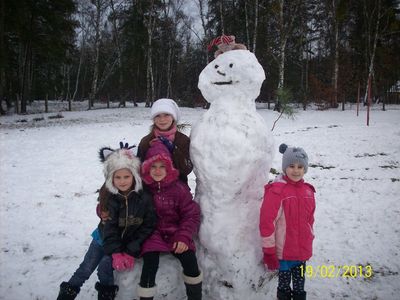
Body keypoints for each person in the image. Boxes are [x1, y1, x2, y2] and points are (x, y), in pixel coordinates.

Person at [57, 144, 157, 300]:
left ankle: (106, 295)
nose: (122, 181)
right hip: (102, 238)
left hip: (124, 241)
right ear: (111, 178)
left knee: (104, 267)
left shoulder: (143, 198)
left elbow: (147, 226)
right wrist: (116, 252)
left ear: (135, 176)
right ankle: (67, 293)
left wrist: (130, 251)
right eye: (117, 177)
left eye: (126, 177)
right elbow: (109, 228)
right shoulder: (111, 197)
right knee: (86, 267)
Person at [137, 140, 202, 300]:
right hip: (152, 234)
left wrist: (183, 236)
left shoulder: (178, 188)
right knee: (150, 264)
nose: (158, 171)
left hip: (175, 232)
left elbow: (191, 214)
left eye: (162, 166)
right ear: (147, 168)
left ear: (169, 168)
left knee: (190, 260)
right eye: (153, 166)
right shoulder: (142, 189)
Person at [259, 143, 316, 300]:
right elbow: (267, 223)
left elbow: (310, 219)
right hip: (284, 253)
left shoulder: (308, 191)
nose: (296, 170)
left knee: (299, 285)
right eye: (291, 166)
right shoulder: (277, 191)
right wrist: (269, 251)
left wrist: (310, 236)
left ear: (305, 168)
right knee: (283, 286)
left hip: (301, 253)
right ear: (284, 167)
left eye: (300, 166)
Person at [137, 98, 193, 184]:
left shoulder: (182, 140)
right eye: (157, 116)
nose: (162, 119)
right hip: (152, 190)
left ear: (173, 117)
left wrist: (174, 150)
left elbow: (187, 168)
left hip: (178, 190)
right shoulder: (146, 141)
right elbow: (139, 170)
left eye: (166, 115)